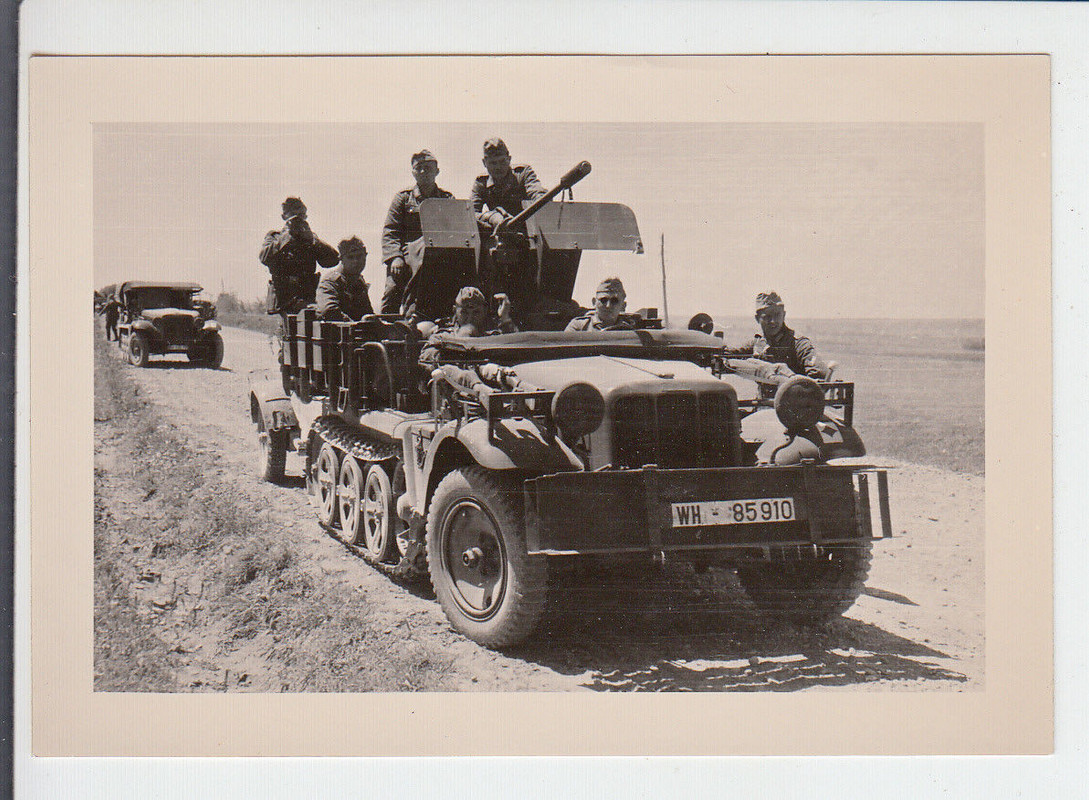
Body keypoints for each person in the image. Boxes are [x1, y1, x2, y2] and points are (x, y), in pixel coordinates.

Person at [380, 150, 455, 314]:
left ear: (437, 171)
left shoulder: (447, 199)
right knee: (391, 293)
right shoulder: (403, 199)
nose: (423, 172)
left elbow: (456, 230)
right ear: (413, 172)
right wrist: (395, 258)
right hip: (407, 258)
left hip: (437, 257)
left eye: (427, 168)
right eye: (418, 168)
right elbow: (390, 231)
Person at [260, 197, 340, 317]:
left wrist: (313, 241)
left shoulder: (310, 238)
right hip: (283, 301)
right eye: (293, 214)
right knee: (284, 333)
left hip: (306, 298)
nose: (298, 219)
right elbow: (264, 257)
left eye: (302, 215)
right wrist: (287, 237)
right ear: (284, 217)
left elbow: (333, 260)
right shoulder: (275, 237)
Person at [725, 291, 830, 379]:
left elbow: (819, 374)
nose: (773, 321)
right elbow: (732, 354)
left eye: (777, 315)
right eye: (767, 317)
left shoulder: (798, 343)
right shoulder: (758, 342)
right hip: (764, 401)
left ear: (784, 315)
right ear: (757, 319)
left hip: (792, 400)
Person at [418, 287, 517, 368]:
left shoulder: (492, 337)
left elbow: (515, 349)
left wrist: (505, 318)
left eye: (476, 312)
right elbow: (426, 357)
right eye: (464, 312)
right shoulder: (442, 337)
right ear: (455, 311)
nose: (470, 318)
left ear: (485, 311)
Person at [470, 138, 547, 235]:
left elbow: (538, 195)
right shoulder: (481, 183)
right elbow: (470, 214)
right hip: (499, 235)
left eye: (502, 161)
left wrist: (542, 200)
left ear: (509, 159)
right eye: (493, 163)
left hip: (528, 234)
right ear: (484, 163)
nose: (498, 167)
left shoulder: (523, 174)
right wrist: (492, 217)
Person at [316, 237, 375, 321]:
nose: (356, 261)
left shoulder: (359, 282)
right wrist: (355, 324)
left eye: (359, 256)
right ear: (341, 259)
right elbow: (328, 310)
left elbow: (367, 313)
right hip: (338, 332)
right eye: (350, 257)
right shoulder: (330, 282)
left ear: (365, 256)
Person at [565, 277, 635, 331]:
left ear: (623, 306)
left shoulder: (628, 331)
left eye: (614, 301)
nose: (608, 306)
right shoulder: (579, 327)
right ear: (594, 302)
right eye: (603, 300)